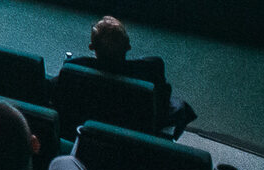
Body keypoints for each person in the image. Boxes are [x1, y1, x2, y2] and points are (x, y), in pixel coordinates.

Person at [64, 15, 197, 137]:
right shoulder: (151, 68)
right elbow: (162, 104)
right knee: (180, 106)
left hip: (88, 130)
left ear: (91, 47)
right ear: (128, 46)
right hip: (139, 133)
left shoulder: (74, 66)